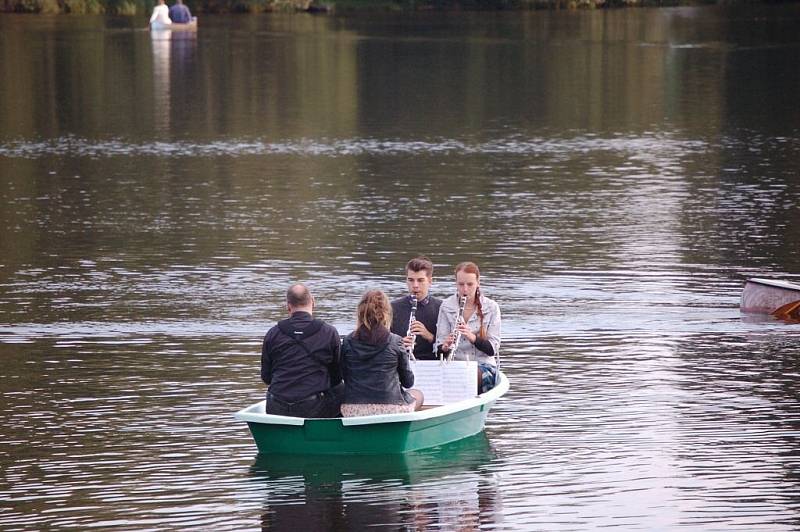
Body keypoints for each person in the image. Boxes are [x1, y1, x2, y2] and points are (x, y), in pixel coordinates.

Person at [261, 284, 344, 418]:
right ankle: (334, 435)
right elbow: (337, 377)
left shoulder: (272, 333)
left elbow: (266, 377)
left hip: (276, 405)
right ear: (313, 302)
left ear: (288, 306)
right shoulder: (329, 332)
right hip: (312, 407)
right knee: (342, 389)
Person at [340, 290, 424, 416]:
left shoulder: (347, 341)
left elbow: (343, 376)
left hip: (353, 409)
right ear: (386, 314)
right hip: (391, 408)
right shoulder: (396, 341)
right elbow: (408, 382)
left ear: (360, 313)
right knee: (418, 394)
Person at [435, 262, 501, 394]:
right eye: (461, 284)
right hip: (455, 364)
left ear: (478, 283)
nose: (465, 290)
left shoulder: (492, 307)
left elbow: (492, 349)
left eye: (470, 284)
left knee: (469, 376)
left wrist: (472, 338)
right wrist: (445, 346)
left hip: (483, 365)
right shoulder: (446, 306)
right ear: (456, 283)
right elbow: (439, 352)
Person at [390, 256, 442, 360]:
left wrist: (429, 336)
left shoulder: (441, 308)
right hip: (401, 363)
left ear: (430, 281)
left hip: (431, 365)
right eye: (411, 280)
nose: (415, 286)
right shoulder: (392, 307)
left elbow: (447, 349)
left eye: (420, 280)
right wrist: (398, 344)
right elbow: (381, 344)